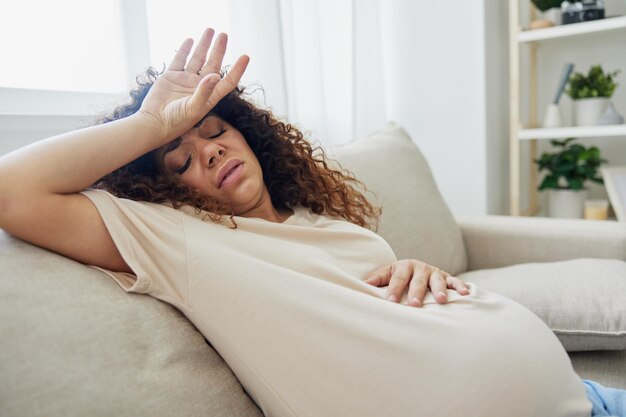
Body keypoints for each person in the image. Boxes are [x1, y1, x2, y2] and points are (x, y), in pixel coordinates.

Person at [0, 28, 624, 417]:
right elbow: (13, 192)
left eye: (215, 131)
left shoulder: (324, 222)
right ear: (162, 185)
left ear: (248, 135)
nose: (209, 150)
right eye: (180, 157)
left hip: (583, 395)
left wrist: (419, 272)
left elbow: (380, 303)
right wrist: (152, 124)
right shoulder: (176, 237)